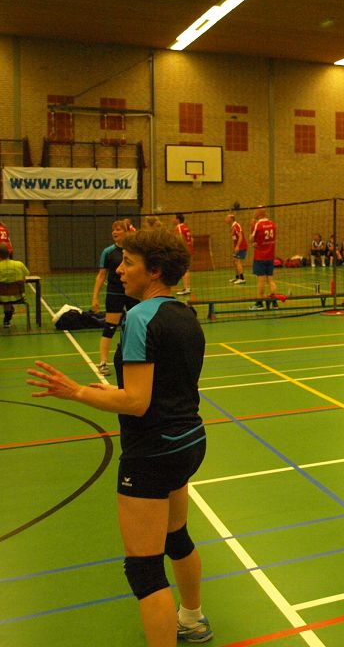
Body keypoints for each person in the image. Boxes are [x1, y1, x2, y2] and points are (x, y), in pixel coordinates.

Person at [28, 226, 212, 645]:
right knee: (176, 537)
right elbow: (164, 387)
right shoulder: (184, 313)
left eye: (129, 263)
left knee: (144, 570)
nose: (119, 270)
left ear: (155, 270)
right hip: (188, 442)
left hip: (152, 454)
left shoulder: (140, 318)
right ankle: (192, 619)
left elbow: (137, 402)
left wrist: (75, 391)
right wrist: (110, 391)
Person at [91, 220, 138, 376]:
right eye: (113, 230)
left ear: (126, 232)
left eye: (118, 229)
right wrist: (95, 298)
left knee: (135, 326)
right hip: (114, 293)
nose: (114, 232)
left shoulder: (134, 250)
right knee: (110, 327)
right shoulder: (108, 252)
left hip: (132, 293)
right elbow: (101, 276)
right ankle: (103, 362)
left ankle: (134, 358)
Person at [249, 207, 277, 310]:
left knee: (261, 280)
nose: (254, 213)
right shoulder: (272, 224)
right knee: (270, 279)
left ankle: (259, 303)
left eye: (255, 211)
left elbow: (251, 238)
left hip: (260, 256)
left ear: (259, 214)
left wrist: (253, 241)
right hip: (270, 255)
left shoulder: (258, 224)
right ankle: (274, 303)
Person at [0, 245, 30, 328]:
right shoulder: (19, 264)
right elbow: (27, 274)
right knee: (9, 299)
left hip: (1, 296)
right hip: (17, 296)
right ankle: (7, 319)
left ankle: (7, 318)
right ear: (9, 253)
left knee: (5, 299)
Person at [173, 213, 193, 296]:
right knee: (186, 269)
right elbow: (191, 239)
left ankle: (187, 289)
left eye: (174, 218)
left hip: (184, 251)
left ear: (177, 219)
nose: (173, 220)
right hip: (189, 250)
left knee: (184, 270)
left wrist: (179, 250)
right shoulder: (186, 227)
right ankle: (187, 287)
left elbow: (180, 239)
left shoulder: (179, 227)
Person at [226, 213, 246, 283]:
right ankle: (237, 277)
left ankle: (242, 279)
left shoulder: (236, 225)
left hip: (241, 246)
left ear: (231, 219)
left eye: (227, 218)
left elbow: (241, 236)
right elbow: (235, 238)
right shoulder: (232, 227)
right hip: (237, 246)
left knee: (238, 261)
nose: (226, 219)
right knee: (234, 261)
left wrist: (237, 246)